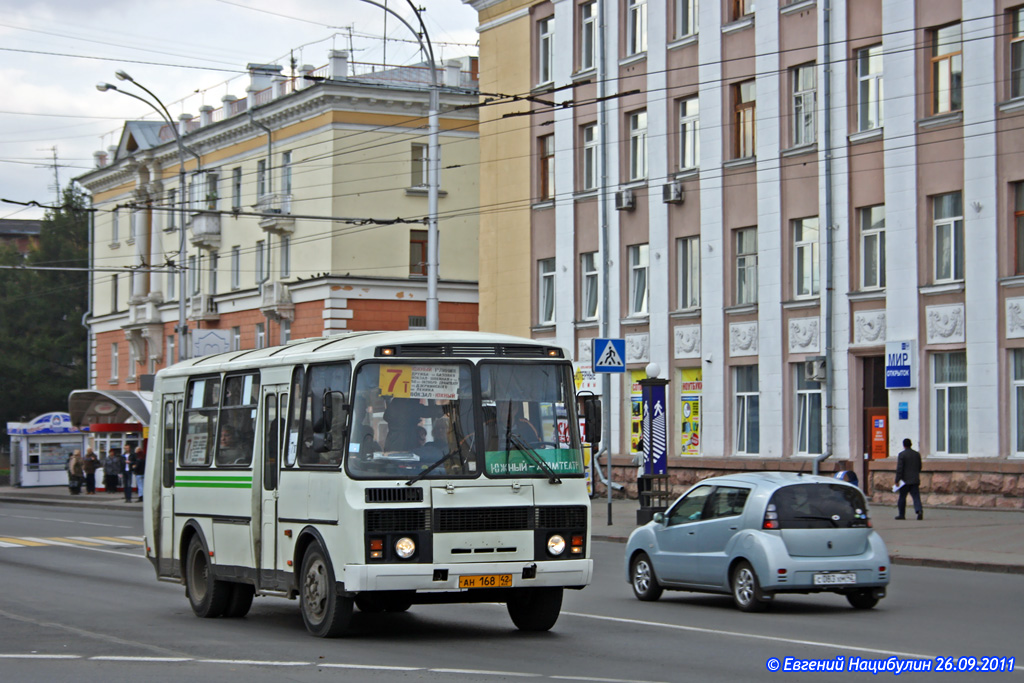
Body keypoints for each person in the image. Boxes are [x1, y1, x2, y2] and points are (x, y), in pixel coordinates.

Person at [895, 438, 923, 520]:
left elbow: (900, 469)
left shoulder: (902, 455)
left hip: (905, 481)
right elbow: (919, 467)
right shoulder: (917, 454)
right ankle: (919, 510)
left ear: (904, 445)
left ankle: (901, 514)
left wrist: (897, 480)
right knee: (916, 496)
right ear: (911, 444)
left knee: (902, 497)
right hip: (914, 479)